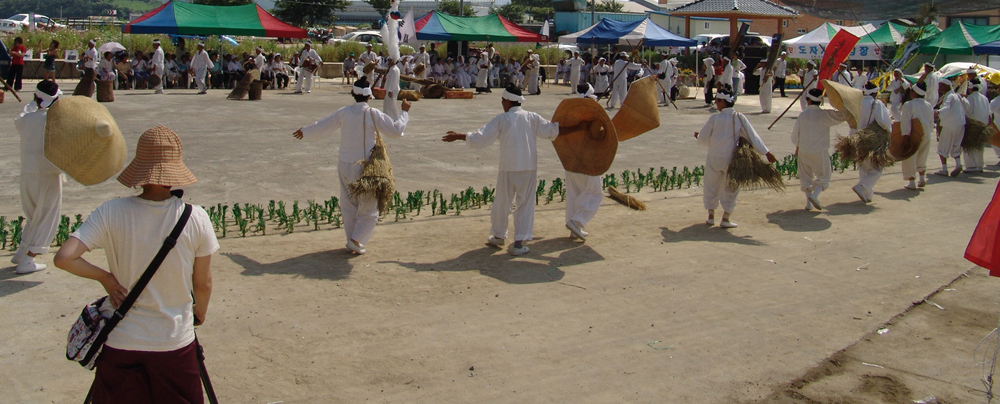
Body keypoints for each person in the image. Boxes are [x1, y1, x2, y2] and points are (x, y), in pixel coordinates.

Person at [54, 126, 218, 404]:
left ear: (139, 169)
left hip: (122, 341)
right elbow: (203, 283)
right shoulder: (196, 217)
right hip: (173, 341)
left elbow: (64, 258)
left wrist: (105, 278)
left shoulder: (111, 211)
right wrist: (199, 313)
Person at [442, 85, 578, 255]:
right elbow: (553, 130)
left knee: (502, 203)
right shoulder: (532, 117)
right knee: (525, 205)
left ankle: (499, 235)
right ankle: (518, 243)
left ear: (507, 101)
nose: (502, 104)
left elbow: (481, 138)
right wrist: (578, 127)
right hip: (528, 168)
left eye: (502, 101)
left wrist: (459, 136)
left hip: (508, 168)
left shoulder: (503, 119)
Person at [292, 78, 411, 254]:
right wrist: (405, 112)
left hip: (344, 164)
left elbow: (323, 125)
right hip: (365, 167)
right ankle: (356, 239)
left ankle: (352, 240)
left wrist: (305, 131)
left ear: (353, 94)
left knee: (348, 205)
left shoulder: (344, 112)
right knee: (369, 207)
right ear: (369, 96)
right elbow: (395, 130)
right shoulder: (373, 113)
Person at [695, 89, 777, 228]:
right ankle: (725, 218)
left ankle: (711, 216)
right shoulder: (738, 117)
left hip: (714, 157)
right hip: (730, 158)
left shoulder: (714, 118)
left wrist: (699, 137)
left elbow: (703, 139)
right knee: (731, 186)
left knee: (711, 184)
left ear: (723, 102)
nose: (716, 103)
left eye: (717, 100)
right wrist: (766, 152)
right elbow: (752, 136)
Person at [11, 80, 63, 274]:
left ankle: (22, 251)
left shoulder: (25, 119)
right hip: (47, 174)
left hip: (27, 173)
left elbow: (22, 115)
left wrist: (34, 102)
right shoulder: (54, 120)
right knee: (47, 216)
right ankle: (29, 259)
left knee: (33, 215)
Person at [791, 88, 847, 210]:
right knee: (824, 175)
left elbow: (795, 135)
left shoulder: (802, 115)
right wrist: (846, 103)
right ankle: (815, 195)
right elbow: (843, 115)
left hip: (804, 150)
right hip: (819, 151)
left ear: (808, 100)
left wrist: (797, 147)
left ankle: (809, 203)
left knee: (805, 177)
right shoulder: (825, 115)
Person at [564, 85, 603, 241]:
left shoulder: (571, 113)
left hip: (570, 158)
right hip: (586, 159)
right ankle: (577, 221)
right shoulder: (591, 115)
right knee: (595, 192)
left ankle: (575, 229)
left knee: (575, 193)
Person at [851, 83, 892, 203]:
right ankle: (863, 186)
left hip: (857, 137)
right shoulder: (876, 104)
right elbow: (883, 121)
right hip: (872, 138)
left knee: (863, 166)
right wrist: (889, 130)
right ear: (875, 93)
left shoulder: (856, 103)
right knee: (877, 167)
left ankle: (867, 194)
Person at [900, 82, 935, 190]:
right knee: (922, 155)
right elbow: (931, 122)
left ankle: (911, 181)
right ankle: (922, 177)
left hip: (913, 134)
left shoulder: (909, 105)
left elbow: (905, 122)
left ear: (914, 92)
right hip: (926, 133)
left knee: (910, 157)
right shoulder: (928, 105)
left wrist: (905, 136)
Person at [935, 78, 966, 177]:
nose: (939, 88)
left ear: (947, 86)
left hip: (950, 124)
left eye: (941, 86)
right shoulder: (957, 96)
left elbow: (946, 107)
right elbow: (967, 105)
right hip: (960, 124)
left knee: (942, 147)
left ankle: (944, 169)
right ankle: (958, 164)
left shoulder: (949, 96)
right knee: (956, 145)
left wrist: (938, 113)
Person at [962, 78, 990, 173]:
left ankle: (971, 166)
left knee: (969, 146)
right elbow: (988, 113)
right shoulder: (985, 98)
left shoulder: (970, 98)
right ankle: (979, 165)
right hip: (983, 125)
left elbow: (968, 112)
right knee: (980, 146)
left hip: (973, 125)